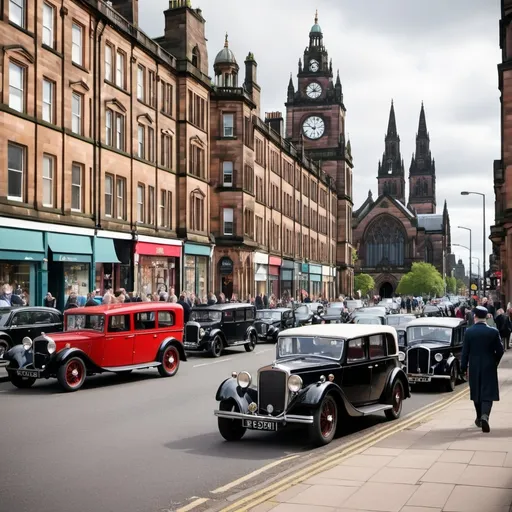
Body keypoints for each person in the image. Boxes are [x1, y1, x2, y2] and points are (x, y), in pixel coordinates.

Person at [461, 306, 504, 433]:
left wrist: (463, 367)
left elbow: (465, 352)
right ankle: (485, 416)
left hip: (474, 365)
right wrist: (494, 361)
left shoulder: (469, 332)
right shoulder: (493, 332)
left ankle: (479, 417)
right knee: (488, 392)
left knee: (476, 392)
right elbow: (500, 350)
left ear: (475, 317)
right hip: (489, 365)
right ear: (486, 317)